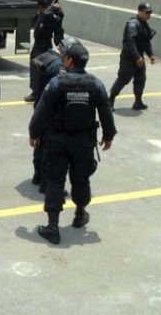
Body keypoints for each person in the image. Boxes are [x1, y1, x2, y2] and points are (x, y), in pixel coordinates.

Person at [29, 40, 116, 244]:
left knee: (55, 181)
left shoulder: (57, 83)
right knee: (81, 178)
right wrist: (108, 135)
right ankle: (79, 214)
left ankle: (52, 226)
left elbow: (41, 111)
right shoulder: (96, 84)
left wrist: (34, 133)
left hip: (57, 141)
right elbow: (105, 111)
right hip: (83, 143)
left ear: (68, 60)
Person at [29, 36, 83, 192]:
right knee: (50, 148)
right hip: (51, 111)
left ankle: (38, 175)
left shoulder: (48, 57)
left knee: (40, 144)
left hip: (41, 105)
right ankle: (46, 183)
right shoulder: (59, 66)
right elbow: (63, 87)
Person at [109, 2, 157, 111]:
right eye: (147, 12)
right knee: (123, 79)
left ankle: (138, 102)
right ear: (140, 12)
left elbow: (146, 42)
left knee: (140, 79)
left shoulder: (144, 24)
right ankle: (110, 100)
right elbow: (130, 42)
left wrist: (151, 55)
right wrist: (137, 57)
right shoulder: (132, 24)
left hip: (139, 57)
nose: (149, 14)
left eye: (150, 12)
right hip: (129, 58)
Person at [25, 0, 64, 102]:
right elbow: (34, 20)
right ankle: (35, 92)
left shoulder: (51, 14)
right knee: (34, 69)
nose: (39, 9)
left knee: (41, 72)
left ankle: (39, 94)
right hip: (37, 45)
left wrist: (54, 8)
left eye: (41, 7)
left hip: (44, 46)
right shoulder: (41, 14)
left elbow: (57, 23)